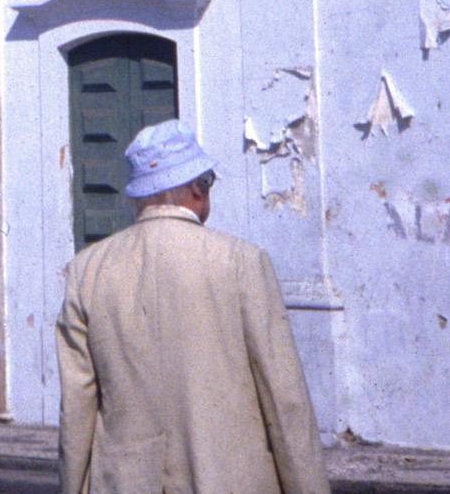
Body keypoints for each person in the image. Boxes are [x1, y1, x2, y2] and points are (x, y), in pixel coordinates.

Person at [56, 121, 329, 494]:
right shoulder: (241, 262)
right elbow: (285, 401)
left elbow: (76, 408)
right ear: (199, 190)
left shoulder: (88, 269)